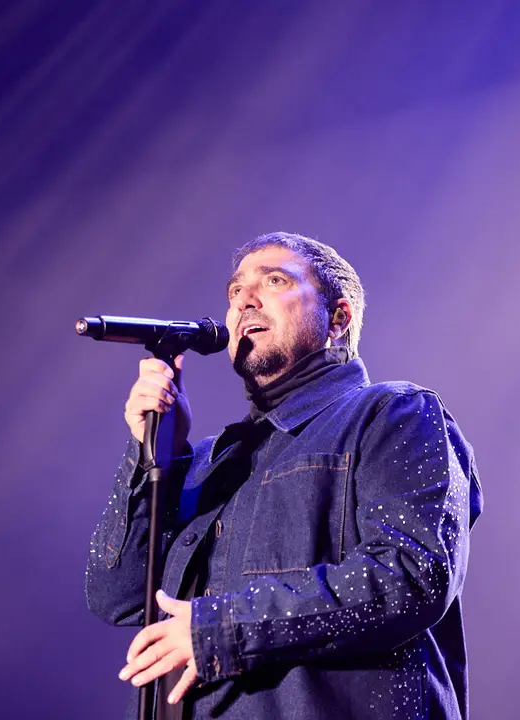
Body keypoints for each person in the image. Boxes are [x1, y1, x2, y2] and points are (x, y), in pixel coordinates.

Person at [85, 232, 483, 719]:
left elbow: (411, 577)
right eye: (234, 291)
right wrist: (153, 457)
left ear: (338, 319)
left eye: (273, 280)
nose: (244, 299)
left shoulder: (393, 412)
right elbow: (115, 597)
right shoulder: (207, 462)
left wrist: (222, 628)